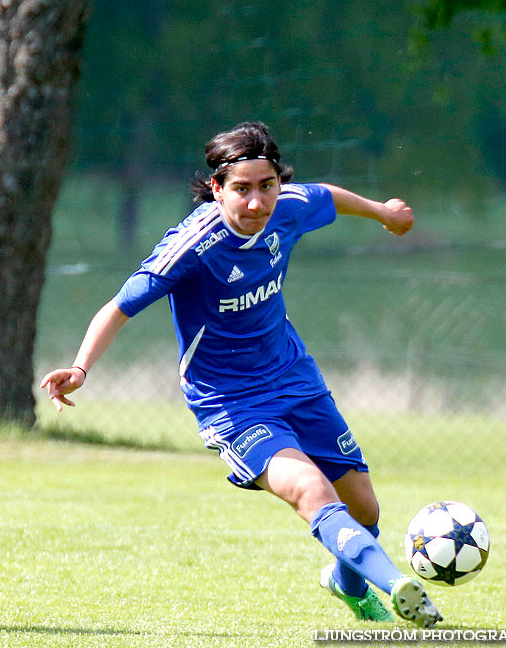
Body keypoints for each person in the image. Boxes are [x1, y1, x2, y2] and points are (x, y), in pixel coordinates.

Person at [40, 122, 443, 627]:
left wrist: (383, 213)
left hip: (295, 378)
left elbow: (326, 196)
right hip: (230, 402)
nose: (257, 202)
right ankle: (398, 588)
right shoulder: (190, 247)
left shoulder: (288, 207)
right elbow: (118, 307)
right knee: (309, 490)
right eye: (242, 189)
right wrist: (80, 367)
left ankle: (347, 581)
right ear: (217, 189)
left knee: (363, 508)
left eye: (266, 186)